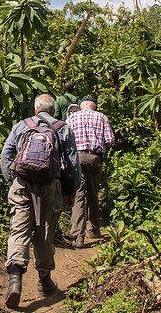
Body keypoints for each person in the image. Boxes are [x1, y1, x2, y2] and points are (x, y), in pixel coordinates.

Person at [0, 94, 80, 309]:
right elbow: (73, 162)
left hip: (22, 183)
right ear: (53, 111)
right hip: (49, 185)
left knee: (19, 229)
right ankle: (44, 281)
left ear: (36, 110)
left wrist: (12, 180)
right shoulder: (63, 128)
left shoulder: (21, 126)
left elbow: (6, 155)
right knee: (44, 230)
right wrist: (72, 189)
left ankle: (15, 281)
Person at [66, 94, 115, 248]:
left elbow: (64, 138)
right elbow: (110, 140)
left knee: (79, 195)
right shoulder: (101, 117)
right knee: (93, 193)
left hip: (77, 158)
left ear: (82, 105)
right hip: (94, 158)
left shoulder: (72, 118)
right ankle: (93, 230)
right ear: (94, 105)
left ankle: (77, 236)